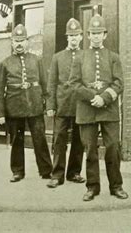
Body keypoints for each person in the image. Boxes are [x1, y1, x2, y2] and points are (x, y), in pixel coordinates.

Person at [69, 15, 128, 201]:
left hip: (108, 110)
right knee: (91, 150)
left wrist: (104, 98)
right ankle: (92, 187)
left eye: (99, 33)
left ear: (105, 35)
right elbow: (73, 83)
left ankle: (116, 186)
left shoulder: (113, 57)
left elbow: (119, 83)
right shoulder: (79, 57)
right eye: (92, 33)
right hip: (87, 111)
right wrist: (92, 97)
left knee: (112, 148)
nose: (95, 37)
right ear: (87, 35)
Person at [0, 24, 53, 183]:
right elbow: (0, 90)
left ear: (27, 41)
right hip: (14, 107)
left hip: (34, 105)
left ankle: (46, 170)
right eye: (16, 40)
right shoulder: (5, 63)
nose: (19, 44)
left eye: (22, 40)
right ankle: (18, 171)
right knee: (16, 140)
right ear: (12, 42)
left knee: (40, 139)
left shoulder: (36, 60)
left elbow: (44, 84)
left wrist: (48, 105)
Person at [46, 18, 86, 188]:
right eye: (71, 35)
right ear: (67, 38)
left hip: (80, 104)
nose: (74, 38)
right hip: (62, 103)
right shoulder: (57, 57)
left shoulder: (86, 56)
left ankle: (74, 172)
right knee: (59, 139)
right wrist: (50, 105)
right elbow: (52, 83)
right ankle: (57, 174)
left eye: (77, 35)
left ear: (82, 37)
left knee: (79, 139)